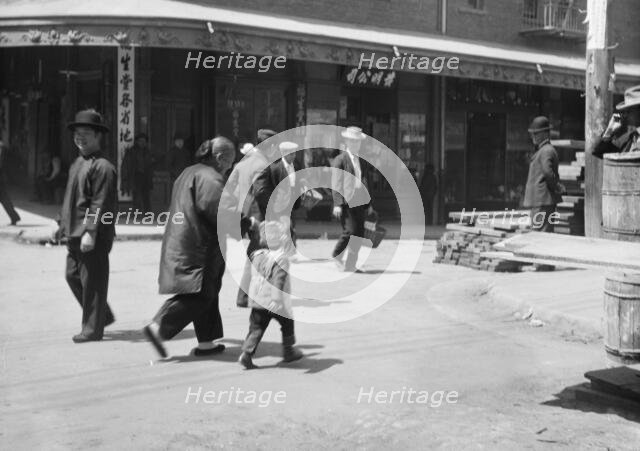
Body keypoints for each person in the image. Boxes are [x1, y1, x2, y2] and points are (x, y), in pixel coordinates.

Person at [143, 136, 250, 358]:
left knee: (207, 292)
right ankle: (158, 327)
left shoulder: (189, 172)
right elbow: (222, 214)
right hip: (199, 246)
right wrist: (247, 223)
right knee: (200, 294)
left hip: (185, 240)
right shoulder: (210, 178)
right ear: (219, 158)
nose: (230, 166)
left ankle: (206, 343)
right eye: (229, 161)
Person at [55, 109, 117, 343]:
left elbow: (100, 203)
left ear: (98, 136)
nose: (80, 138)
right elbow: (71, 198)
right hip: (73, 232)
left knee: (93, 281)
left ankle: (92, 330)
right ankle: (102, 315)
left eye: (86, 133)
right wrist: (61, 223)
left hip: (91, 235)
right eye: (77, 133)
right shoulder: (78, 162)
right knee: (72, 276)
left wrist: (90, 233)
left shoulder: (103, 167)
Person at [238, 220, 304, 369]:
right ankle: (288, 351)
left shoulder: (256, 255)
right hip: (276, 303)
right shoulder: (281, 259)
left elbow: (248, 276)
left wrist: (244, 297)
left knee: (256, 328)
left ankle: (246, 354)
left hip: (258, 300)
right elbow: (278, 280)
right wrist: (276, 299)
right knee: (287, 323)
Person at [226, 128, 277, 308]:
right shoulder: (262, 163)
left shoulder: (243, 162)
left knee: (255, 253)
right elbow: (262, 191)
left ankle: (244, 297)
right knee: (262, 254)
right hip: (260, 215)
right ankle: (260, 297)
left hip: (244, 215)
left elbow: (230, 187)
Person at [331, 126, 376, 272]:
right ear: (347, 142)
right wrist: (337, 204)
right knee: (349, 231)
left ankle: (351, 264)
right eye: (352, 141)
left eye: (357, 142)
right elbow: (336, 184)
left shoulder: (362, 161)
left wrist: (369, 203)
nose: (355, 144)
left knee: (359, 233)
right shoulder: (340, 160)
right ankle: (337, 256)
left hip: (360, 199)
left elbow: (364, 183)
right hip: (346, 201)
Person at [253, 141, 306, 244]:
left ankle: (289, 251)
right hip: (279, 204)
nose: (293, 156)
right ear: (283, 153)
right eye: (291, 154)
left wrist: (302, 184)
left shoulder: (296, 165)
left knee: (290, 226)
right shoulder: (275, 168)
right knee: (283, 228)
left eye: (295, 153)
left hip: (292, 202)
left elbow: (299, 179)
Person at [523, 116, 564, 233]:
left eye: (536, 134)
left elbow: (548, 173)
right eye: (532, 134)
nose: (533, 137)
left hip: (543, 200)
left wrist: (557, 188)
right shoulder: (544, 150)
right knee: (539, 233)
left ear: (546, 134)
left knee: (540, 234)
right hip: (541, 201)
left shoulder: (546, 150)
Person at [592, 85, 640, 158]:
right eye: (624, 112)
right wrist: (609, 131)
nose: (625, 115)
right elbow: (599, 152)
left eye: (628, 111)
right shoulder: (628, 138)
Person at [121, 133, 154, 213]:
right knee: (137, 197)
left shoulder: (147, 152)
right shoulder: (132, 151)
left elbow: (150, 165)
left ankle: (148, 215)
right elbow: (125, 166)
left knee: (146, 197)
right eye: (140, 141)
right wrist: (125, 179)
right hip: (136, 177)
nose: (142, 143)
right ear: (137, 142)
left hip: (146, 177)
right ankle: (137, 215)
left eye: (144, 141)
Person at [0, 140, 21, 225]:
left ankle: (14, 217)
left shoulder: (2, 148)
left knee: (4, 198)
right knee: (4, 199)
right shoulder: (3, 147)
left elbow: (1, 163)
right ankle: (14, 217)